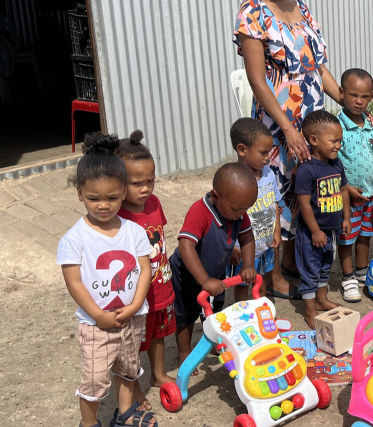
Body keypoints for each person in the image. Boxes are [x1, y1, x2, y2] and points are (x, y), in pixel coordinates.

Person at [233, 0, 342, 292]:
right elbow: (257, 79)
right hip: (276, 120)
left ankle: (295, 258)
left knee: (305, 185)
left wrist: (344, 100)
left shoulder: (300, 5)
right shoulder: (252, 10)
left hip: (311, 118)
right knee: (275, 191)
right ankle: (273, 273)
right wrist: (288, 130)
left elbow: (317, 66)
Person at [57, 133, 158, 427]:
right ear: (80, 194)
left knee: (128, 368)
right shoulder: (74, 238)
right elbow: (74, 282)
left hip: (131, 317)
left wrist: (136, 305)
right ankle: (89, 423)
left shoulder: (134, 231)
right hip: (95, 324)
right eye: (94, 198)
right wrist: (98, 315)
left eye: (112, 198)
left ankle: (125, 413)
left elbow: (145, 269)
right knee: (94, 379)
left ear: (123, 192)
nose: (103, 205)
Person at [169, 163, 258, 367]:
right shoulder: (200, 212)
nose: (241, 214)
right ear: (216, 196)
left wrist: (248, 265)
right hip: (188, 275)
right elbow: (186, 245)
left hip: (216, 274)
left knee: (215, 310)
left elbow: (247, 238)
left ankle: (215, 342)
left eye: (246, 209)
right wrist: (204, 280)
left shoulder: (237, 211)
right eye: (236, 209)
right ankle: (185, 354)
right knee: (186, 316)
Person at [116, 130, 174, 414]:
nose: (145, 188)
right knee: (133, 343)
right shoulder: (117, 217)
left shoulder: (154, 203)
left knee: (159, 333)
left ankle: (158, 373)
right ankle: (134, 387)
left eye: (150, 180)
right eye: (136, 183)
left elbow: (159, 237)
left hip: (160, 285)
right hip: (135, 295)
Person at [294, 110, 351, 326]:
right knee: (310, 271)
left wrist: (346, 218)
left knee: (326, 266)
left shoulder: (336, 164)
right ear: (314, 140)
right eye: (333, 141)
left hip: (331, 231)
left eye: (340, 141)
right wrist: (315, 231)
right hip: (311, 234)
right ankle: (310, 311)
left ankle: (322, 300)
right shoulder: (306, 170)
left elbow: (344, 191)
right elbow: (304, 204)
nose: (338, 145)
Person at [336, 68, 373, 303]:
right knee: (347, 237)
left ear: (372, 96)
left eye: (364, 96)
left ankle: (362, 272)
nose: (359, 101)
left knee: (366, 235)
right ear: (341, 93)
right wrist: (345, 188)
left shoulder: (370, 124)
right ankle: (348, 278)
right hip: (348, 196)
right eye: (353, 95)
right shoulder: (336, 126)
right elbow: (331, 162)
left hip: (370, 195)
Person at [228, 118, 289, 301]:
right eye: (263, 153)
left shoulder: (268, 173)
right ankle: (243, 313)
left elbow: (274, 204)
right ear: (242, 149)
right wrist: (232, 246)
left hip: (266, 244)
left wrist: (277, 231)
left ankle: (261, 310)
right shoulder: (233, 180)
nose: (267, 158)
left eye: (269, 152)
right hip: (244, 250)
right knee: (242, 285)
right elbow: (227, 218)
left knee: (261, 281)